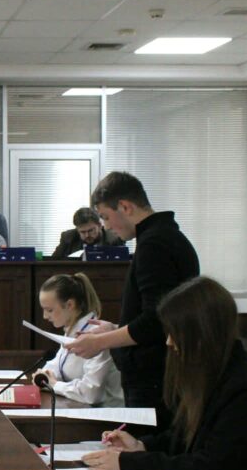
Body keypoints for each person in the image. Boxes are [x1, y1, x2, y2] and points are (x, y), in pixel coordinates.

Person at [81, 277, 247, 470]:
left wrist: (128, 462)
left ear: (202, 332)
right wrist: (141, 445)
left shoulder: (245, 387)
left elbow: (209, 467)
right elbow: (186, 435)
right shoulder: (211, 373)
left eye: (175, 333)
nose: (169, 342)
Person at [67, 172, 199, 427]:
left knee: (146, 443)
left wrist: (100, 342)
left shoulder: (154, 245)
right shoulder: (164, 236)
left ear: (125, 207)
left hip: (154, 375)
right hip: (160, 371)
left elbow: (156, 322)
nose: (106, 226)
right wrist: (116, 329)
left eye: (106, 217)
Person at [33, 273, 123, 407]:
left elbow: (91, 393)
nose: (45, 316)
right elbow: (56, 367)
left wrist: (54, 385)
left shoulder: (96, 335)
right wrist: (44, 375)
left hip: (107, 412)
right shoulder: (71, 330)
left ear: (69, 305)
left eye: (49, 310)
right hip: (81, 407)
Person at [52, 207, 124, 258]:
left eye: (90, 230)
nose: (87, 235)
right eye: (82, 232)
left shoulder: (114, 238)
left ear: (99, 225)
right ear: (77, 229)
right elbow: (53, 262)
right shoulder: (68, 238)